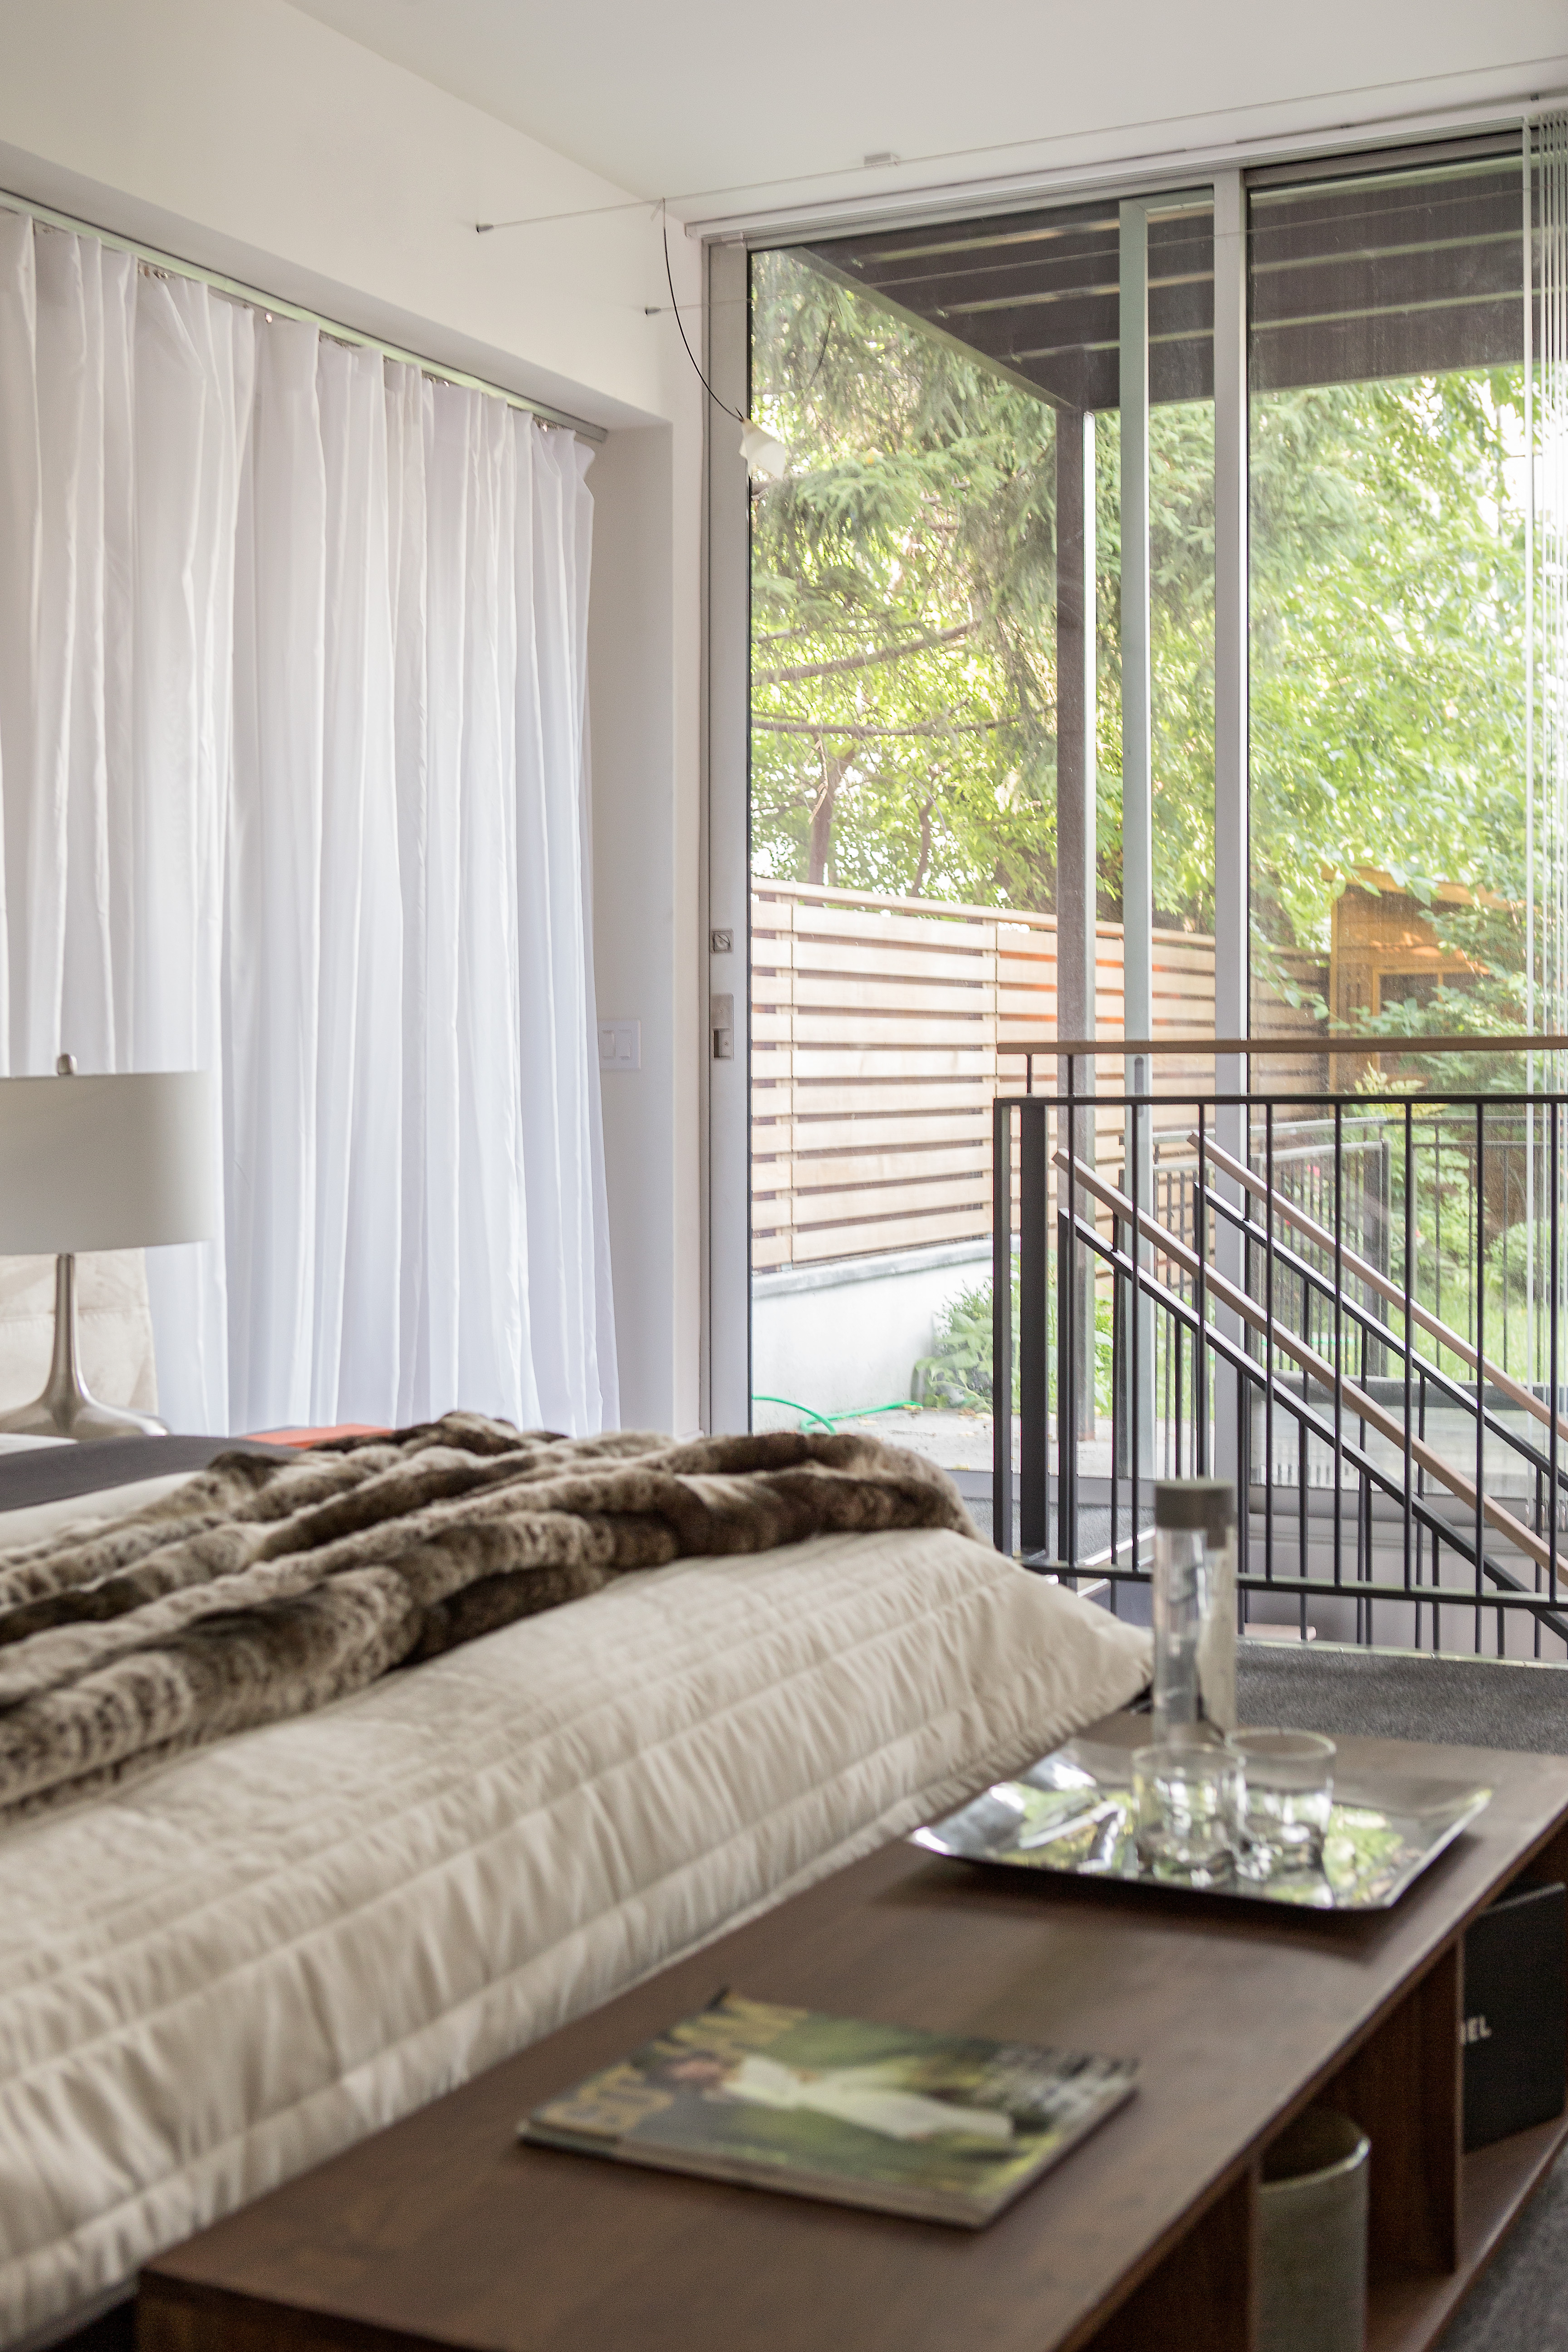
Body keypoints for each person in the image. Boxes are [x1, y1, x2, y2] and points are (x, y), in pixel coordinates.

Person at [657, 2050, 1013, 2144]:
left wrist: (795, 2078)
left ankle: (1001, 2124)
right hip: (822, 2101)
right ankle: (999, 2128)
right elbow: (784, 2100)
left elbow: (793, 2075)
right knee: (916, 2112)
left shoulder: (749, 2064)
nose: (698, 2071)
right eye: (689, 2074)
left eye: (695, 2065)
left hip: (831, 2086)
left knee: (917, 2098)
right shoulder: (726, 2093)